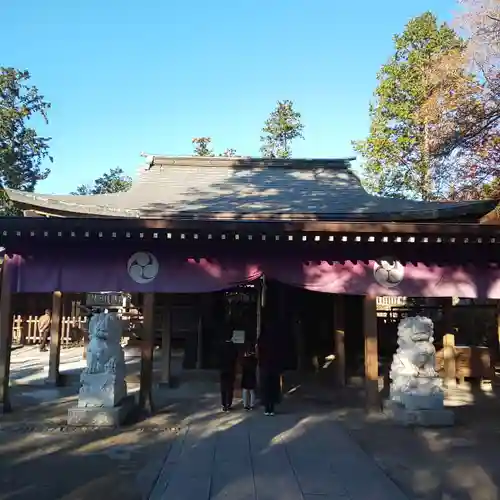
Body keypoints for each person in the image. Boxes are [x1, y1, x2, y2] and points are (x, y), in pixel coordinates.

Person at [257, 326, 281, 416]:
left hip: (265, 366)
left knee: (266, 387)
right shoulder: (276, 340)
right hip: (274, 367)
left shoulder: (262, 341)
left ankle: (267, 408)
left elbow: (259, 351)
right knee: (273, 387)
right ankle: (272, 408)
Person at [219, 337, 237, 412]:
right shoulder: (233, 346)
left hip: (222, 370)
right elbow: (235, 356)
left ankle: (223, 404)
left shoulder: (221, 346)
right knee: (230, 388)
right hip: (231, 369)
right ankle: (229, 404)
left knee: (223, 388)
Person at [241, 342, 257, 411]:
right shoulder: (254, 360)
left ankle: (245, 404)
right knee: (251, 391)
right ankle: (251, 405)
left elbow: (243, 365)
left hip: (246, 376)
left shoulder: (245, 360)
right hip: (252, 376)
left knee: (245, 391)